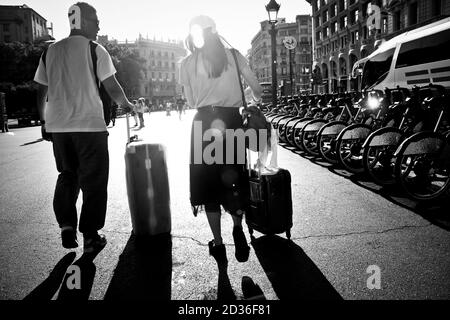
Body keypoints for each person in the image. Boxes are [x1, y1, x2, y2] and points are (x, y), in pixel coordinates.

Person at [34, 2, 134, 254]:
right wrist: (128, 105)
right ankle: (90, 235)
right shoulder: (94, 49)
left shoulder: (50, 51)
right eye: (96, 20)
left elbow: (41, 91)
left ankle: (67, 224)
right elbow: (111, 86)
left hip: (59, 128)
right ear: (83, 22)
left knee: (67, 175)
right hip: (89, 126)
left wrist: (44, 121)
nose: (99, 26)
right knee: (94, 181)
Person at [180, 15, 262, 266]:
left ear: (196, 34)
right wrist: (241, 96)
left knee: (208, 186)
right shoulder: (235, 55)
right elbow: (257, 90)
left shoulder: (187, 63)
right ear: (215, 30)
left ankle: (218, 244)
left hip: (203, 125)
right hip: (231, 122)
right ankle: (237, 225)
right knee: (233, 178)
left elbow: (192, 102)